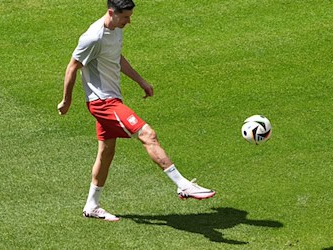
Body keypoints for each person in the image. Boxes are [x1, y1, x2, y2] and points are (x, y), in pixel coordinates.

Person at [57, 0, 215, 222]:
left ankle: (91, 205)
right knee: (147, 134)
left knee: (106, 151)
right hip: (103, 103)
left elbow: (116, 57)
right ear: (111, 12)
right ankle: (183, 185)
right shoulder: (93, 37)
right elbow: (73, 66)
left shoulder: (116, 30)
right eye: (125, 17)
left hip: (111, 98)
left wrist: (140, 81)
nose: (129, 21)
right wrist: (66, 101)